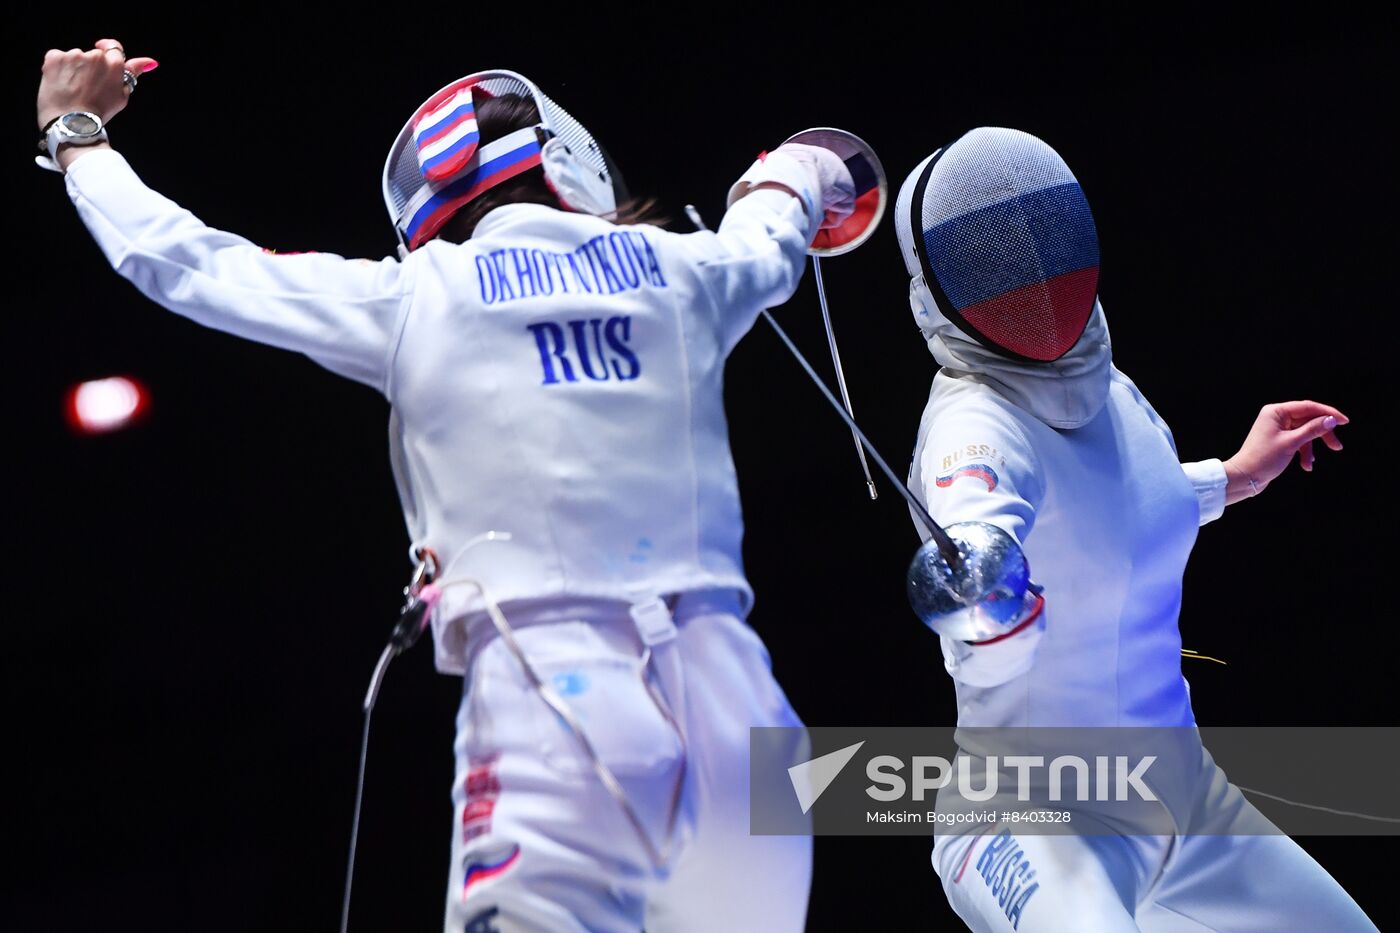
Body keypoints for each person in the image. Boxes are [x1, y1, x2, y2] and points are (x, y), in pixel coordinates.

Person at [38, 40, 856, 932]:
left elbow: (186, 261)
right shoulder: (685, 270)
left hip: (556, 696)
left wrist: (76, 133)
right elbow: (779, 222)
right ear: (564, 159)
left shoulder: (418, 297)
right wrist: (796, 173)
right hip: (739, 710)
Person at [896, 127, 1376, 931]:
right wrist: (985, 599)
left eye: (1043, 236)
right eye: (995, 259)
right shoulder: (973, 428)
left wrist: (1232, 476)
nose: (1033, 273)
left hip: (1188, 802)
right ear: (945, 287)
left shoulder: (1108, 389)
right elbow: (974, 532)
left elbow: (1108, 525)